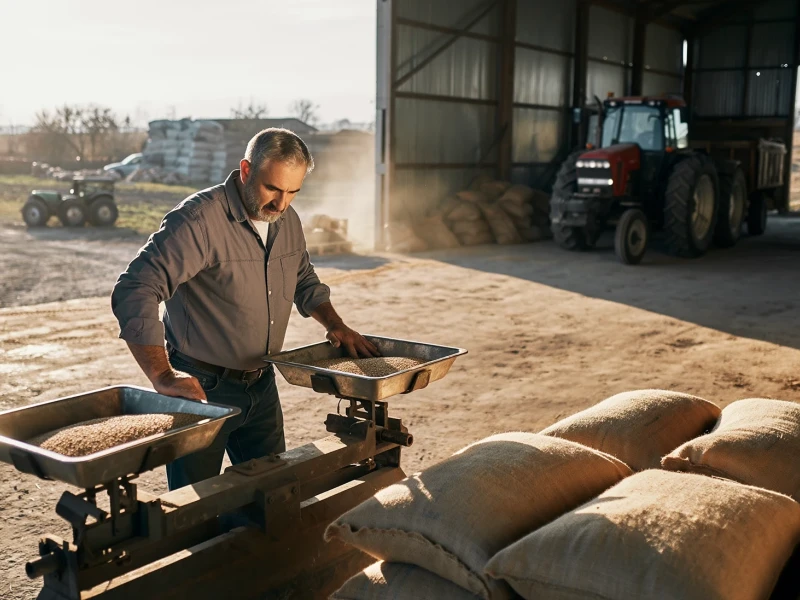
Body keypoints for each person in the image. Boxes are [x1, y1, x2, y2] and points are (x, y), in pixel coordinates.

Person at [111, 128, 378, 491]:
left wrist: (335, 324)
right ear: (246, 170)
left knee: (271, 495)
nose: (281, 204)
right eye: (273, 188)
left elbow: (302, 278)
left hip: (262, 384)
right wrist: (162, 375)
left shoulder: (287, 220)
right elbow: (135, 288)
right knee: (196, 504)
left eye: (293, 192)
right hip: (202, 390)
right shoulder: (199, 220)